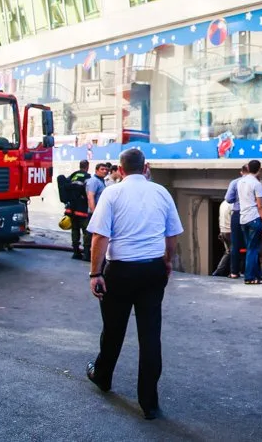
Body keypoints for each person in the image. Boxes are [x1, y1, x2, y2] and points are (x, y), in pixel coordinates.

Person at [85, 148, 183, 420]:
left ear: (120, 168)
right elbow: (172, 235)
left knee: (113, 329)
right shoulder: (161, 192)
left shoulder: (112, 193)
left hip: (120, 272)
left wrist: (96, 273)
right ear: (146, 167)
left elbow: (100, 237)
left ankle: (103, 376)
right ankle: (149, 403)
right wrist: (166, 261)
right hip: (152, 270)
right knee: (150, 335)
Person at [237, 160, 262, 284]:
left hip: (243, 218)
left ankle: (256, 277)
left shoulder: (240, 182)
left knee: (251, 248)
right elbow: (260, 205)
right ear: (259, 169)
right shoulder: (256, 184)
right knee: (253, 249)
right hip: (254, 218)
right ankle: (249, 277)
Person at [58, 161, 92, 260]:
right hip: (82, 209)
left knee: (75, 230)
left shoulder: (73, 175)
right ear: (87, 167)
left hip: (71, 209)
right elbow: (89, 193)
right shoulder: (88, 177)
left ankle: (76, 253)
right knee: (86, 232)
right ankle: (86, 254)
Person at [223, 164, 249, 279]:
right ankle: (248, 271)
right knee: (250, 244)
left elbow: (228, 199)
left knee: (235, 244)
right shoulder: (255, 182)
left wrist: (237, 199)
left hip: (237, 214)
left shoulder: (235, 182)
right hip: (250, 215)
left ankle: (234, 272)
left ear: (241, 172)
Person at [211, 199, 232, 277]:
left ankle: (218, 271)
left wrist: (220, 231)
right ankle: (234, 272)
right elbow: (234, 219)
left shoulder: (223, 203)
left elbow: (220, 218)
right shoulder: (232, 205)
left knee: (228, 252)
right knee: (234, 252)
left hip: (223, 231)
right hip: (230, 231)